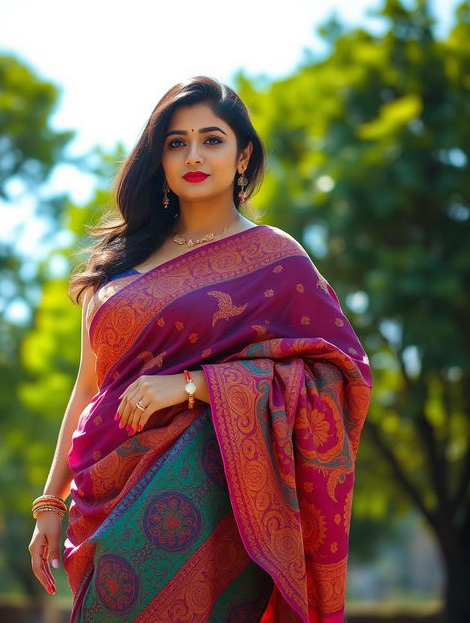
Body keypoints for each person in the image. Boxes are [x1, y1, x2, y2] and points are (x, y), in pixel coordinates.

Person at [28, 75, 372, 622]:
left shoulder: (276, 260)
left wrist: (196, 385)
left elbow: (335, 373)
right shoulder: (116, 270)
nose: (194, 154)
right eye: (176, 142)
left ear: (243, 156)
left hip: (213, 503)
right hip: (105, 499)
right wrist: (51, 502)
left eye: (212, 139)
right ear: (159, 159)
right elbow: (88, 390)